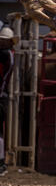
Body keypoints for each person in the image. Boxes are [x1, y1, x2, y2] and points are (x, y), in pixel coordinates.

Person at [0, 24, 16, 176]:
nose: (3, 42)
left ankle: (1, 164)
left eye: (5, 40)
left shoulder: (6, 54)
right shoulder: (6, 53)